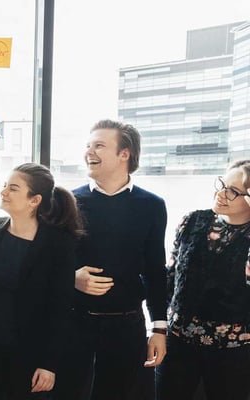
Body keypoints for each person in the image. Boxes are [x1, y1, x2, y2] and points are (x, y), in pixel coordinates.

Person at [54, 119, 168, 400]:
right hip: (74, 323)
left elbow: (155, 269)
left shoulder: (152, 205)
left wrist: (159, 329)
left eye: (99, 146)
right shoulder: (67, 201)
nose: (89, 152)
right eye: (88, 145)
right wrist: (72, 277)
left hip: (126, 326)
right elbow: (47, 262)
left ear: (124, 154)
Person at [0, 163, 82, 400]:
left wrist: (49, 364)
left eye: (12, 188)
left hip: (31, 356)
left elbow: (60, 307)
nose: (3, 192)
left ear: (34, 200)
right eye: (4, 186)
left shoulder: (58, 243)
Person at [155, 160, 250, 400]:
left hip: (232, 349)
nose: (221, 194)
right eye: (222, 184)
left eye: (233, 191)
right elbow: (172, 275)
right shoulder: (192, 221)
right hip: (179, 340)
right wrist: (162, 325)